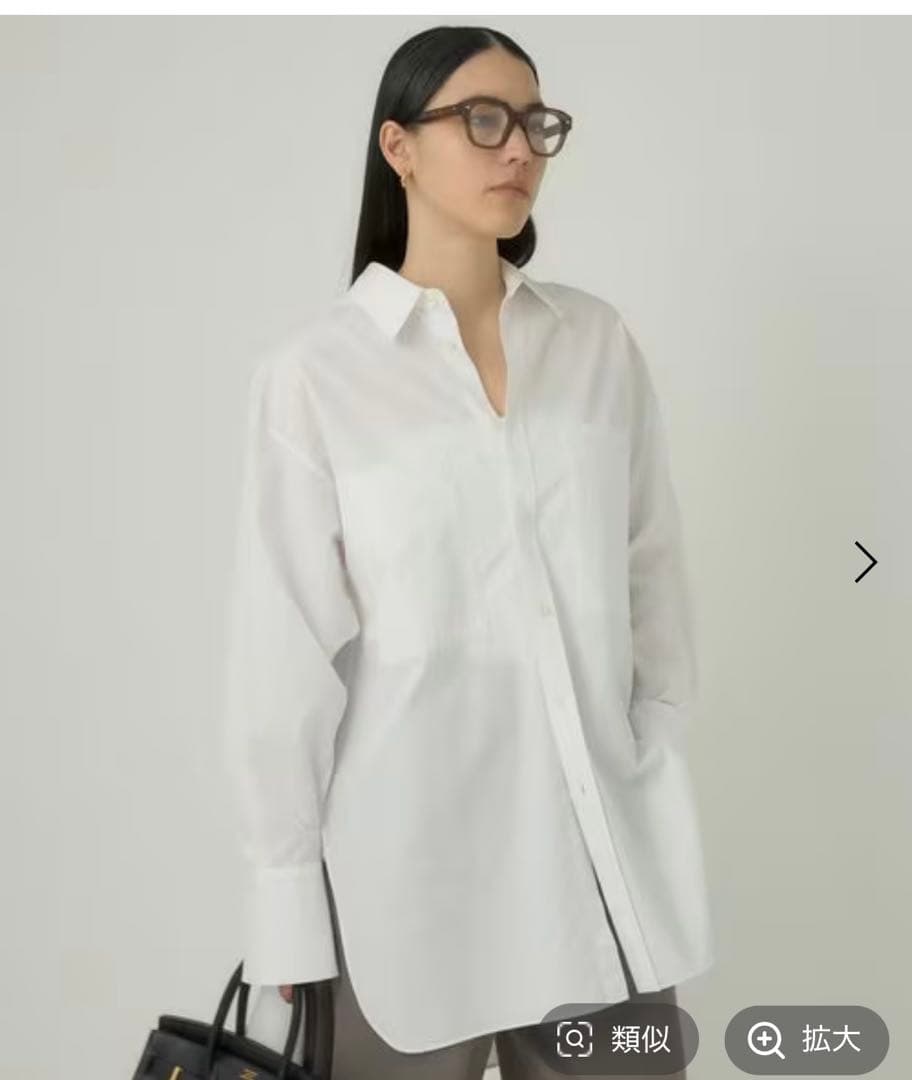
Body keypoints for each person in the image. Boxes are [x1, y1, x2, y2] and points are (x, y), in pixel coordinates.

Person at [222, 23, 714, 1080]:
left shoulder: (596, 346)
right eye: (484, 120)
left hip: (598, 875)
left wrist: (651, 765)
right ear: (398, 147)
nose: (520, 148)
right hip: (402, 891)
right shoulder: (314, 376)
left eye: (537, 123)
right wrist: (286, 911)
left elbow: (654, 585)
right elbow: (281, 665)